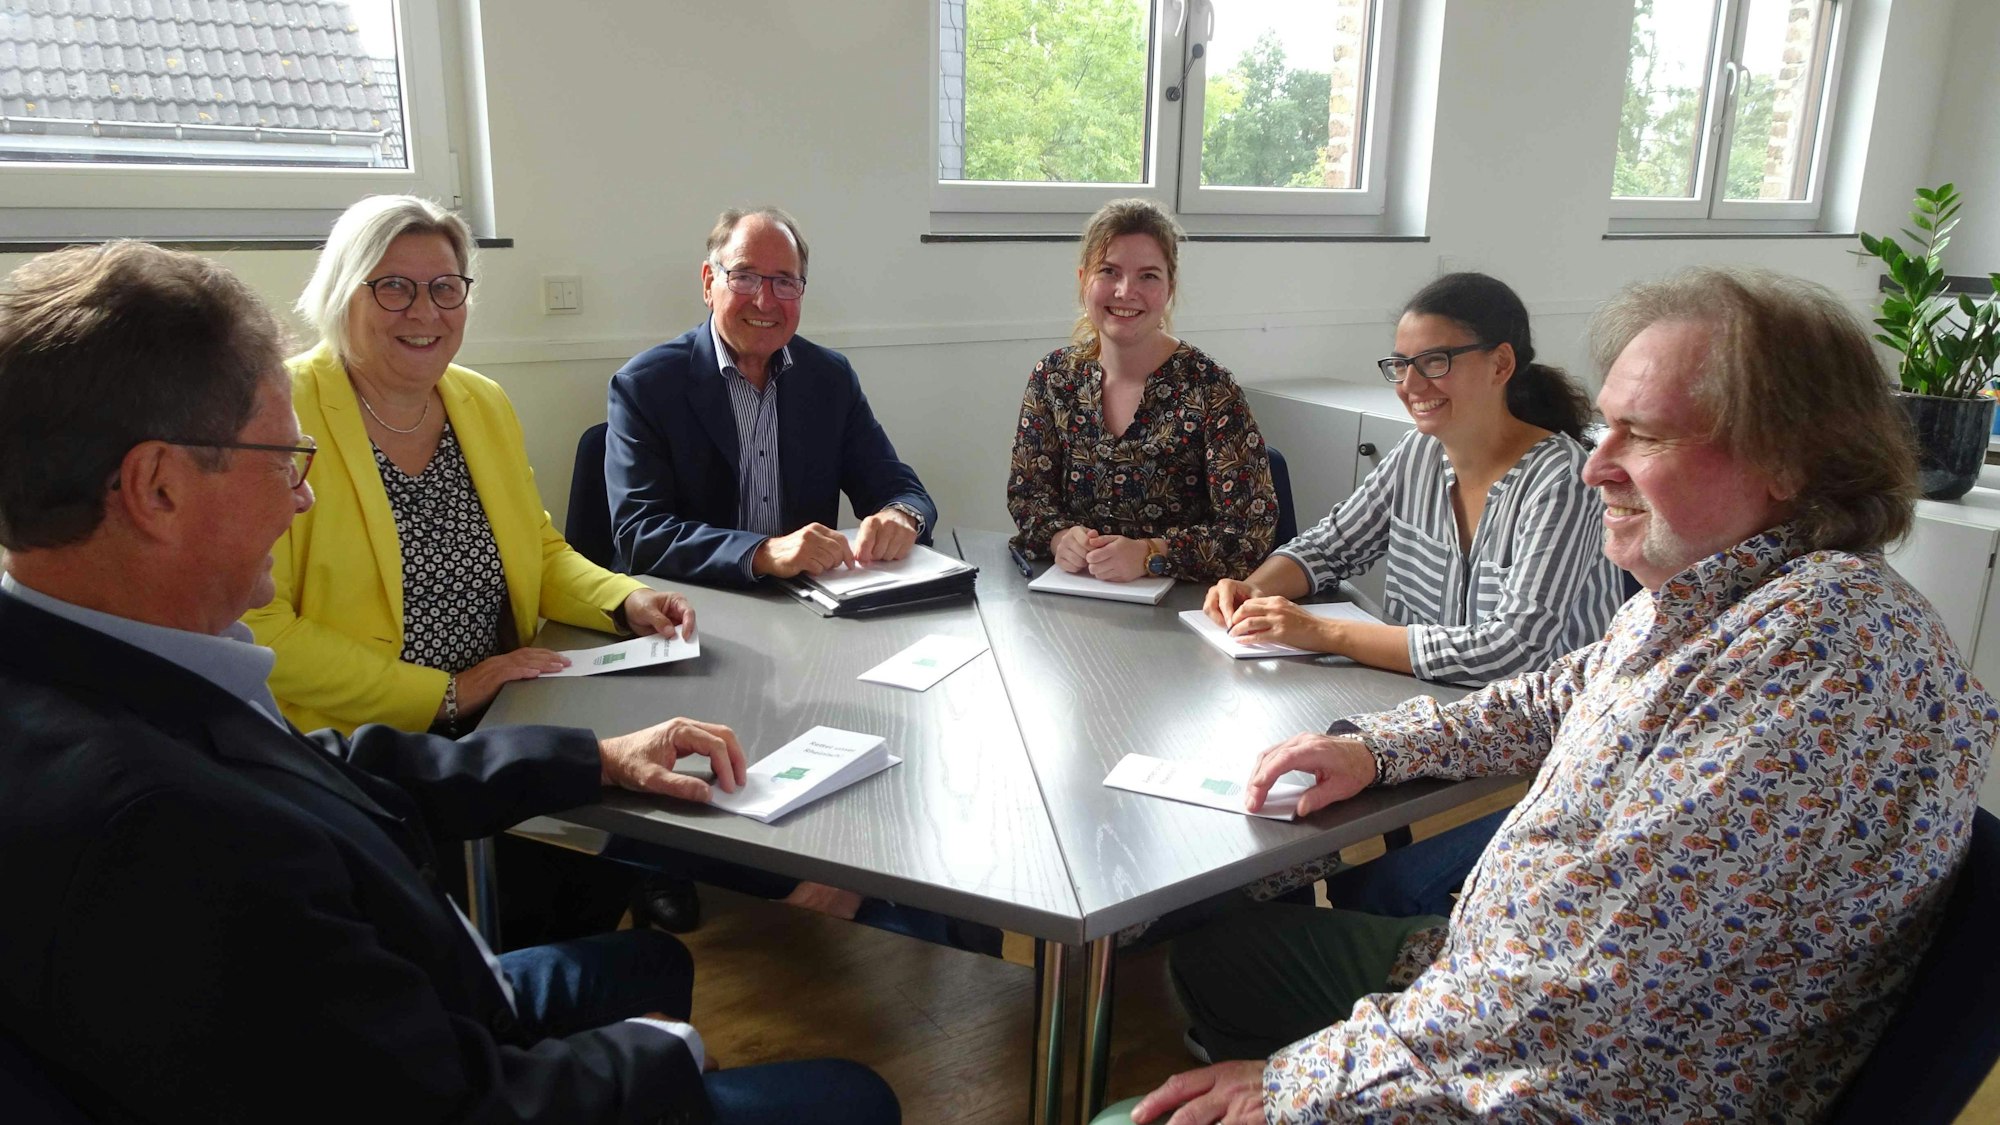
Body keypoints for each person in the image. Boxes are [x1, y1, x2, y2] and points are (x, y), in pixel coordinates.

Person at [0, 241, 900, 1123]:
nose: (300, 497)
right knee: (857, 1097)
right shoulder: (161, 833)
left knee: (657, 960)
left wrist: (599, 756)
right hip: (442, 1032)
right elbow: (456, 1100)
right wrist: (658, 1051)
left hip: (428, 976)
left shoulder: (109, 667)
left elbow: (327, 764)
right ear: (156, 488)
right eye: (282, 459)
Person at [1097, 267, 1997, 1124]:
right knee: (1223, 955)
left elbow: (1591, 986)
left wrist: (1298, 1088)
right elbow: (1557, 689)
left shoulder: (1826, 650)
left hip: (1578, 1083)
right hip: (1490, 985)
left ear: (1791, 459)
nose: (1593, 465)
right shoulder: (1716, 593)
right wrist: (1377, 749)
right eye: (1605, 426)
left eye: (1643, 435)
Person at [241, 193, 696, 942]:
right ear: (340, 289)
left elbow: (538, 551)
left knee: (620, 841)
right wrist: (445, 693)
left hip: (509, 709)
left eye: (445, 287)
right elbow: (262, 628)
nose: (424, 310)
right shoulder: (283, 410)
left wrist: (626, 598)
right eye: (392, 285)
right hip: (369, 747)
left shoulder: (480, 401)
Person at [1204, 272, 1623, 686]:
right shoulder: (1416, 453)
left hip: (1541, 725)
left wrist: (1322, 632)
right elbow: (1327, 548)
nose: (1411, 384)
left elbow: (1511, 650)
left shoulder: (1562, 478)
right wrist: (1250, 591)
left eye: (1435, 362)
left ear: (1500, 364)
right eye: (1402, 364)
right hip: (1423, 702)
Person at [607, 206, 937, 588]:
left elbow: (898, 486)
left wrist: (901, 515)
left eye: (784, 282)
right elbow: (640, 534)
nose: (765, 301)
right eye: (744, 277)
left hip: (808, 604)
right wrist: (763, 553)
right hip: (693, 604)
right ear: (707, 282)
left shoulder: (829, 379)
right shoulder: (644, 386)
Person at [1007, 198, 1277, 582]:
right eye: (1109, 272)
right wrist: (1059, 538)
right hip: (1074, 598)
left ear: (1169, 289)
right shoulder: (1054, 378)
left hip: (1182, 611)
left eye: (1148, 276)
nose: (1125, 290)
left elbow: (1251, 533)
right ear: (1083, 280)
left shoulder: (1210, 389)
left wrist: (1151, 555)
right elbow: (1027, 497)